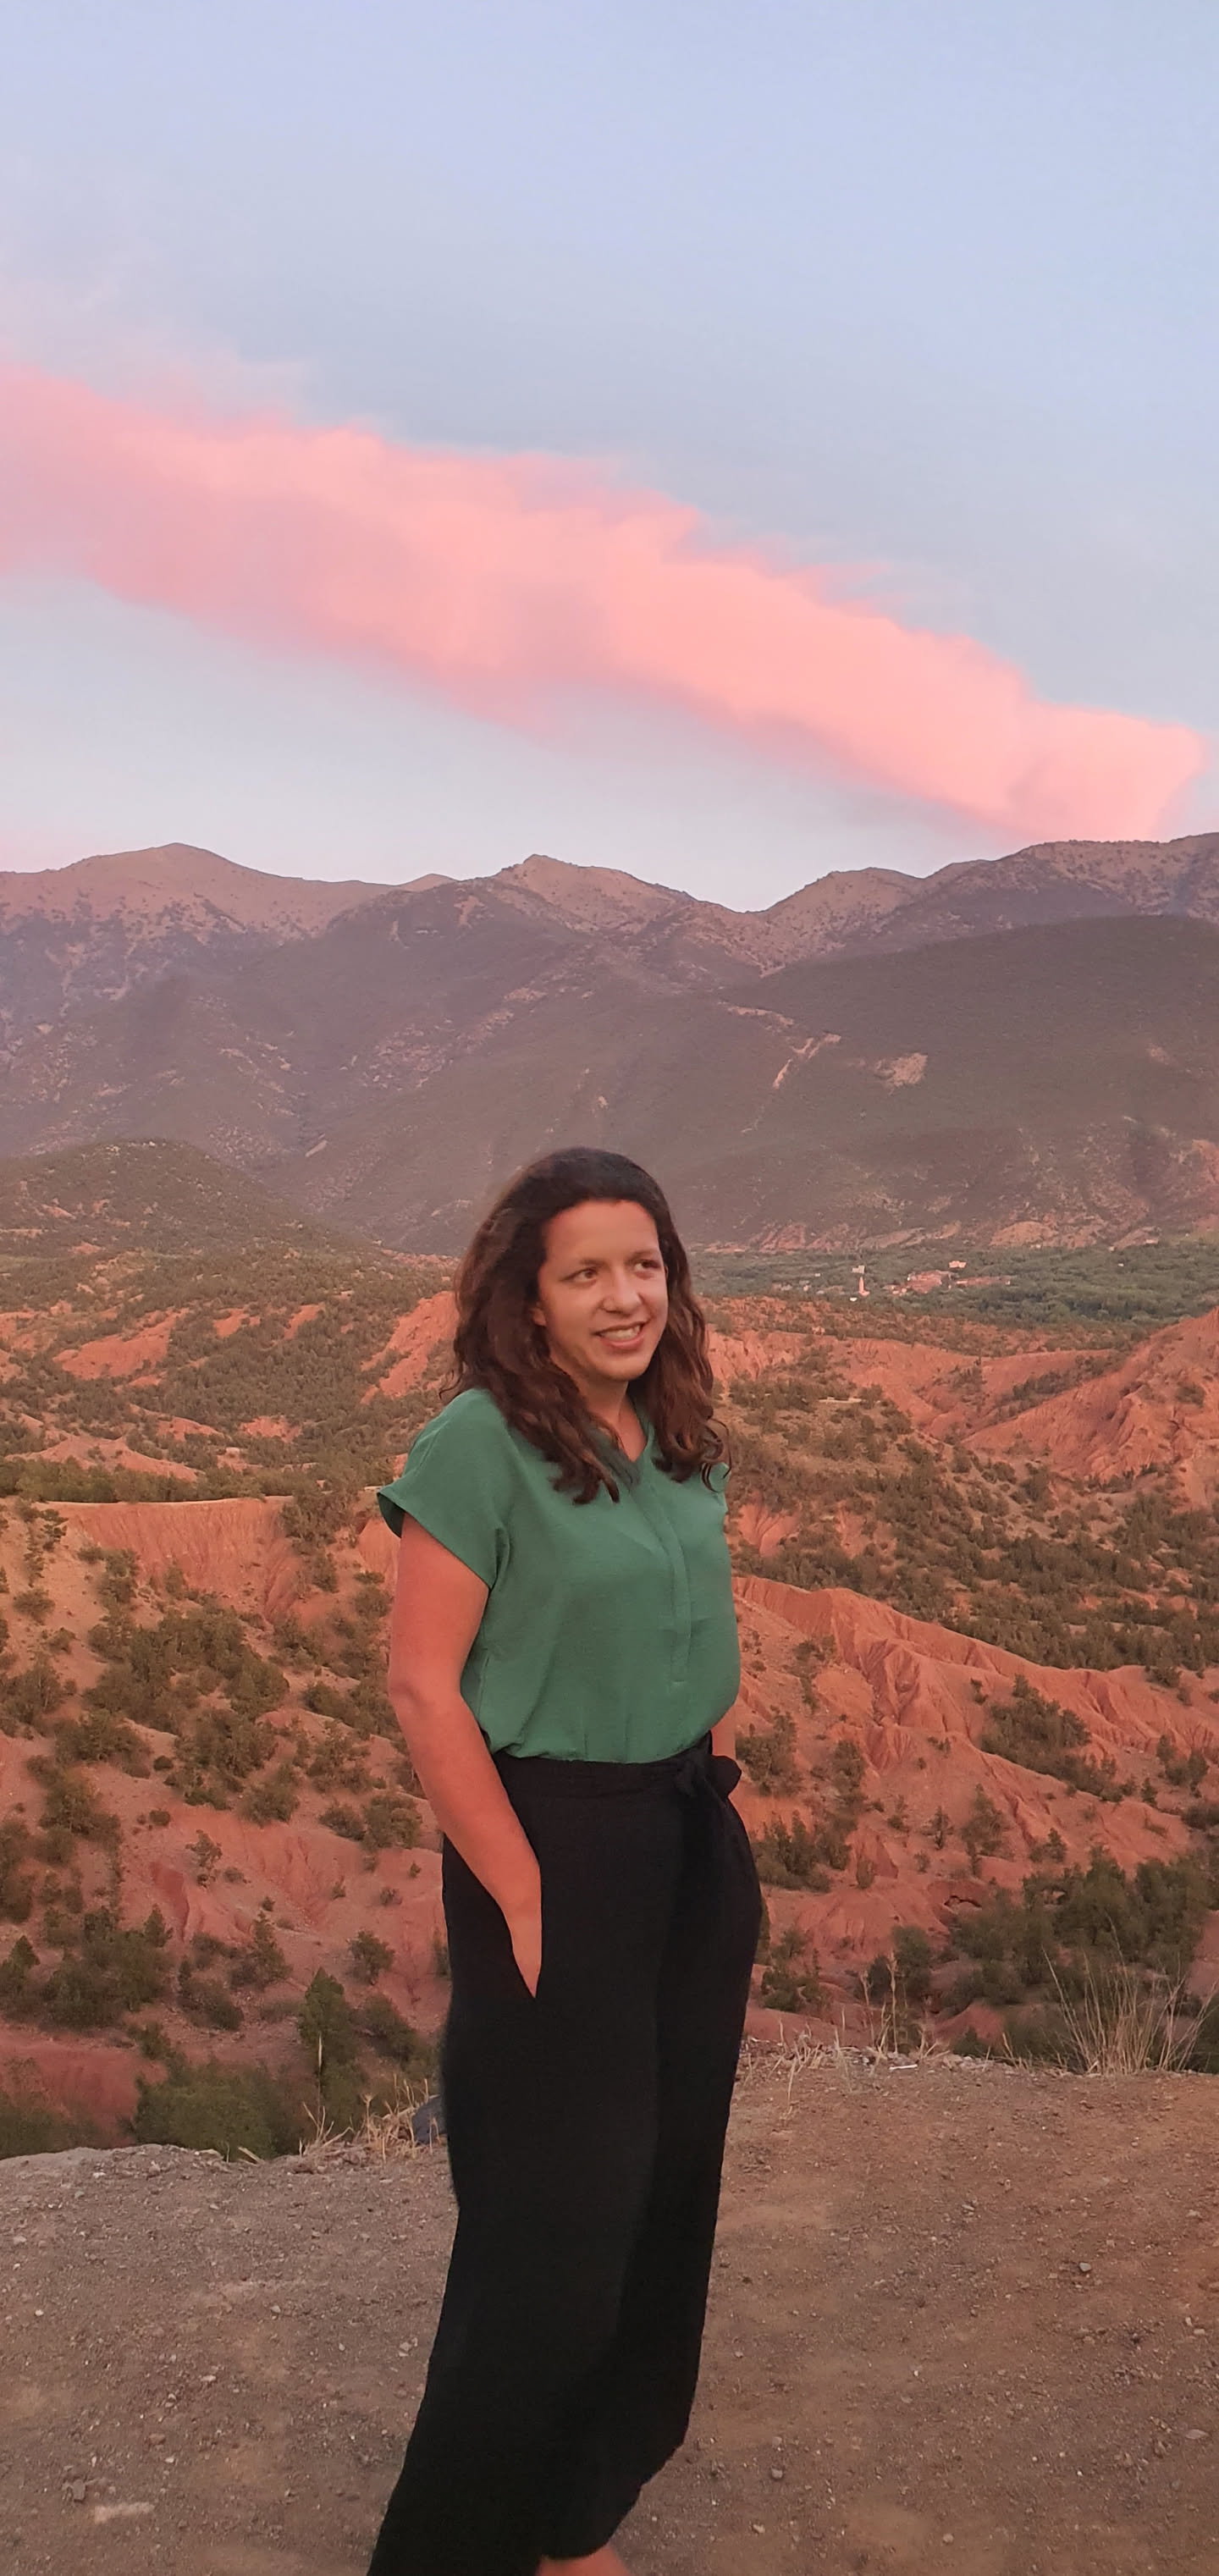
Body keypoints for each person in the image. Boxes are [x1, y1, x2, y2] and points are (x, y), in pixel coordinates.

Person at [366, 1145, 762, 2576]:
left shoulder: (674, 1427)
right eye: (585, 1271)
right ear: (528, 1298)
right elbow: (423, 1686)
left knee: (663, 2204)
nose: (623, 1296)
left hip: (684, 1837)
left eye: (643, 1265)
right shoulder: (478, 1445)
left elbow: (688, 1625)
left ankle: (572, 2517)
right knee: (553, 2234)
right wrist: (524, 1889)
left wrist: (710, 1802)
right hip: (555, 1850)